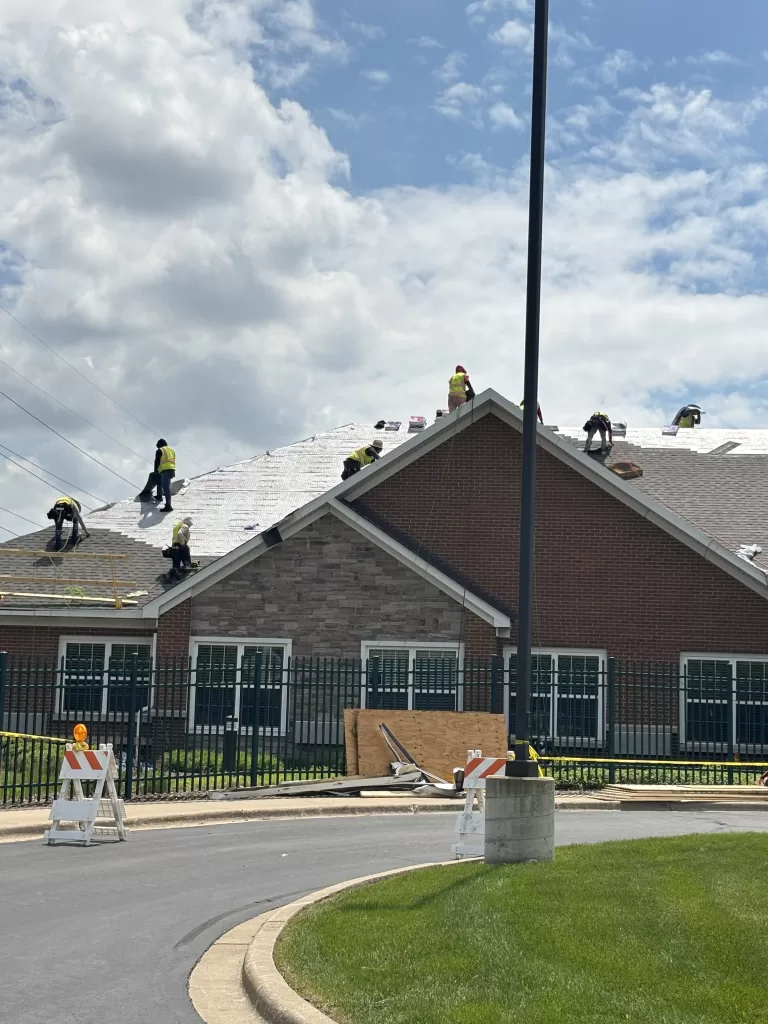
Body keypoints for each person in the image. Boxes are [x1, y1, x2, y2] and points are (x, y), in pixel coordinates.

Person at [154, 439, 176, 512]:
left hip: (165, 470)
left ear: (159, 445)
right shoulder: (171, 450)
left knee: (166, 488)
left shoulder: (160, 450)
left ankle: (168, 506)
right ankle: (159, 496)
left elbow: (157, 461)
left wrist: (155, 471)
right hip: (172, 470)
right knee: (161, 482)